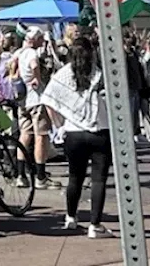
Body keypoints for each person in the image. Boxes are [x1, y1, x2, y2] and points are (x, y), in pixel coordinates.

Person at [40, 35, 114, 239]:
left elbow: (48, 99)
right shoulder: (100, 73)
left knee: (75, 177)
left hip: (72, 132)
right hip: (100, 130)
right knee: (98, 179)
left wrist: (58, 125)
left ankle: (71, 217)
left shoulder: (63, 74)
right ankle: (95, 225)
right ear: (92, 53)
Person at [15, 28, 61, 189]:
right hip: (36, 99)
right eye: (41, 38)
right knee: (41, 135)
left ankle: (21, 174)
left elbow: (10, 65)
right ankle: (40, 176)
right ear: (35, 39)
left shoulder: (20, 53)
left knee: (25, 134)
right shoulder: (32, 54)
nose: (43, 40)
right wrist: (38, 79)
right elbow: (35, 65)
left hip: (23, 100)